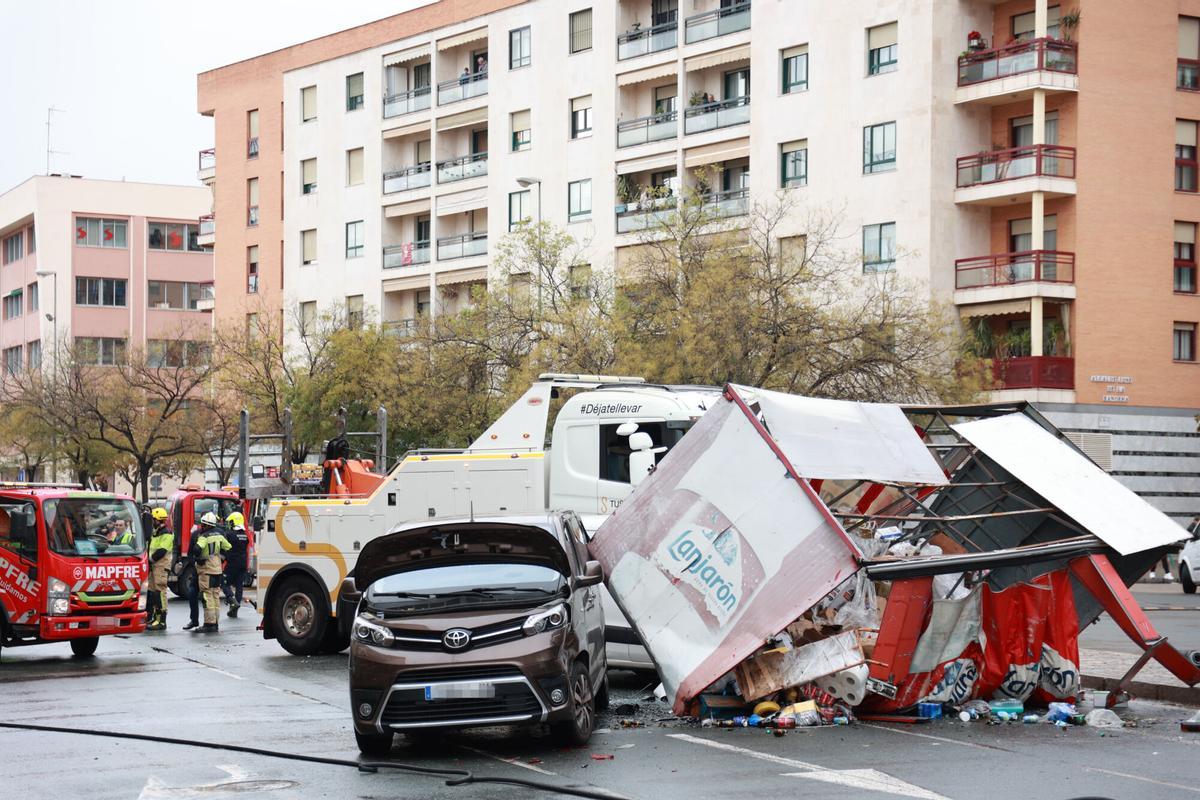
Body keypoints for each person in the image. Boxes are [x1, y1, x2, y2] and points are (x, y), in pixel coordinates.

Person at [192, 512, 231, 633]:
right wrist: (221, 557)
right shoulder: (220, 535)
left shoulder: (204, 537)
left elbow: (196, 549)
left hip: (206, 570)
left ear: (206, 525)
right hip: (217, 570)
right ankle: (215, 622)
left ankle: (209, 624)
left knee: (207, 596)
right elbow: (228, 547)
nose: (201, 526)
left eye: (203, 524)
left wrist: (199, 557)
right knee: (215, 596)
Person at [145, 508, 173, 631]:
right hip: (154, 566)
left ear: (158, 520)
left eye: (153, 520)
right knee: (153, 592)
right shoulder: (156, 532)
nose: (152, 522)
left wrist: (150, 559)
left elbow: (162, 550)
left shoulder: (166, 533)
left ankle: (161, 621)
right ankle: (155, 618)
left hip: (160, 566)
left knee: (160, 592)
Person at [221, 511, 250, 618]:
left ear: (234, 522)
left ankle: (232, 601)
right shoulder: (245, 536)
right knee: (239, 586)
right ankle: (234, 610)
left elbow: (224, 548)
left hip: (232, 564)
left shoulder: (229, 535)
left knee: (223, 583)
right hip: (243, 564)